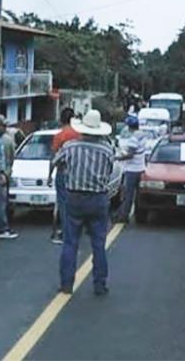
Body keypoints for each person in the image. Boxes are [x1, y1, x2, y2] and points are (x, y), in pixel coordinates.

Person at [51, 109, 114, 296]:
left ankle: (66, 284)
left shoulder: (70, 146)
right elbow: (110, 171)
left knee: (70, 242)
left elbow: (56, 162)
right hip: (98, 198)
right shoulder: (107, 149)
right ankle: (100, 285)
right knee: (98, 244)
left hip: (75, 198)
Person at [48, 107, 81, 245]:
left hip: (62, 171)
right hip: (76, 173)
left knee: (63, 203)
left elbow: (54, 157)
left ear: (61, 119)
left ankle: (65, 232)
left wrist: (49, 175)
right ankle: (74, 229)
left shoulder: (59, 136)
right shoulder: (78, 135)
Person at [115, 115, 146, 223]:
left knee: (128, 194)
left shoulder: (134, 138)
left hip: (132, 169)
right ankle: (138, 215)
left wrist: (118, 158)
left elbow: (130, 155)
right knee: (138, 194)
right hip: (140, 167)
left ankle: (123, 216)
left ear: (130, 127)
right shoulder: (142, 135)